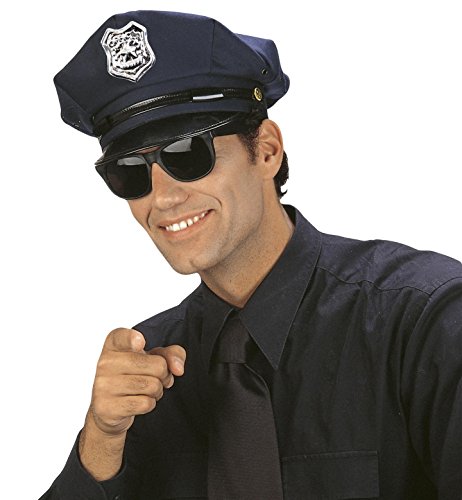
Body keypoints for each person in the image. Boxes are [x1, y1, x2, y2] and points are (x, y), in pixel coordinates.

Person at [41, 9, 462, 500]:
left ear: (266, 150)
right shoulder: (146, 373)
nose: (163, 197)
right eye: (129, 172)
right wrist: (102, 439)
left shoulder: (424, 322)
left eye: (187, 154)